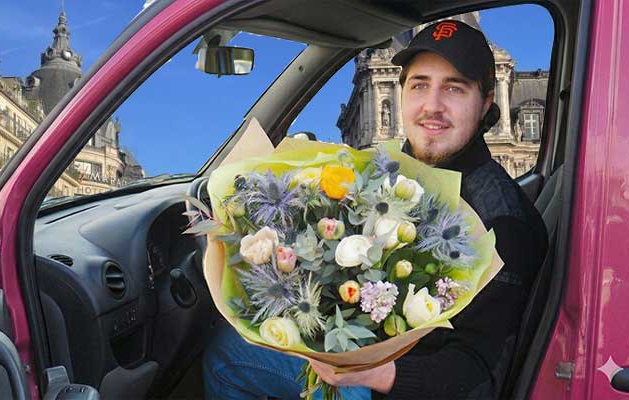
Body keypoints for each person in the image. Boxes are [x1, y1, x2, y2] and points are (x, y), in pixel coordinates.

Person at [203, 20, 548, 400]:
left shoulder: (501, 224)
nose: (432, 105)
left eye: (454, 88)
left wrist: (378, 373)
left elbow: (478, 374)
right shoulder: (402, 172)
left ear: (485, 102)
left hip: (399, 385)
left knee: (226, 356)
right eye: (419, 85)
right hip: (369, 353)